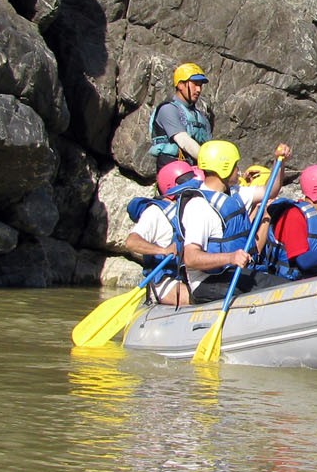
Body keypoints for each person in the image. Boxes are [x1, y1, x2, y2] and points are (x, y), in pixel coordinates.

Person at [175, 139, 288, 304]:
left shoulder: (237, 194)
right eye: (235, 166)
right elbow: (191, 258)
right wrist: (230, 257)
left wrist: (280, 162)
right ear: (224, 168)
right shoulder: (199, 207)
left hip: (233, 274)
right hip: (207, 282)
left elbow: (269, 191)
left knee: (282, 286)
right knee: (274, 291)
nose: (238, 171)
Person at [123, 160, 200, 306]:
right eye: (188, 180)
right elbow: (131, 242)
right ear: (172, 186)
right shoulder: (155, 213)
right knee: (199, 298)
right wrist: (163, 250)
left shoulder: (192, 207)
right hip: (166, 280)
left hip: (190, 275)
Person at [147, 63, 214, 171]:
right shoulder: (168, 109)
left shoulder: (201, 117)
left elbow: (210, 146)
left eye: (200, 85)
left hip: (197, 169)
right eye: (195, 84)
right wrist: (213, 164)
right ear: (180, 85)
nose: (198, 90)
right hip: (174, 171)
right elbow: (184, 141)